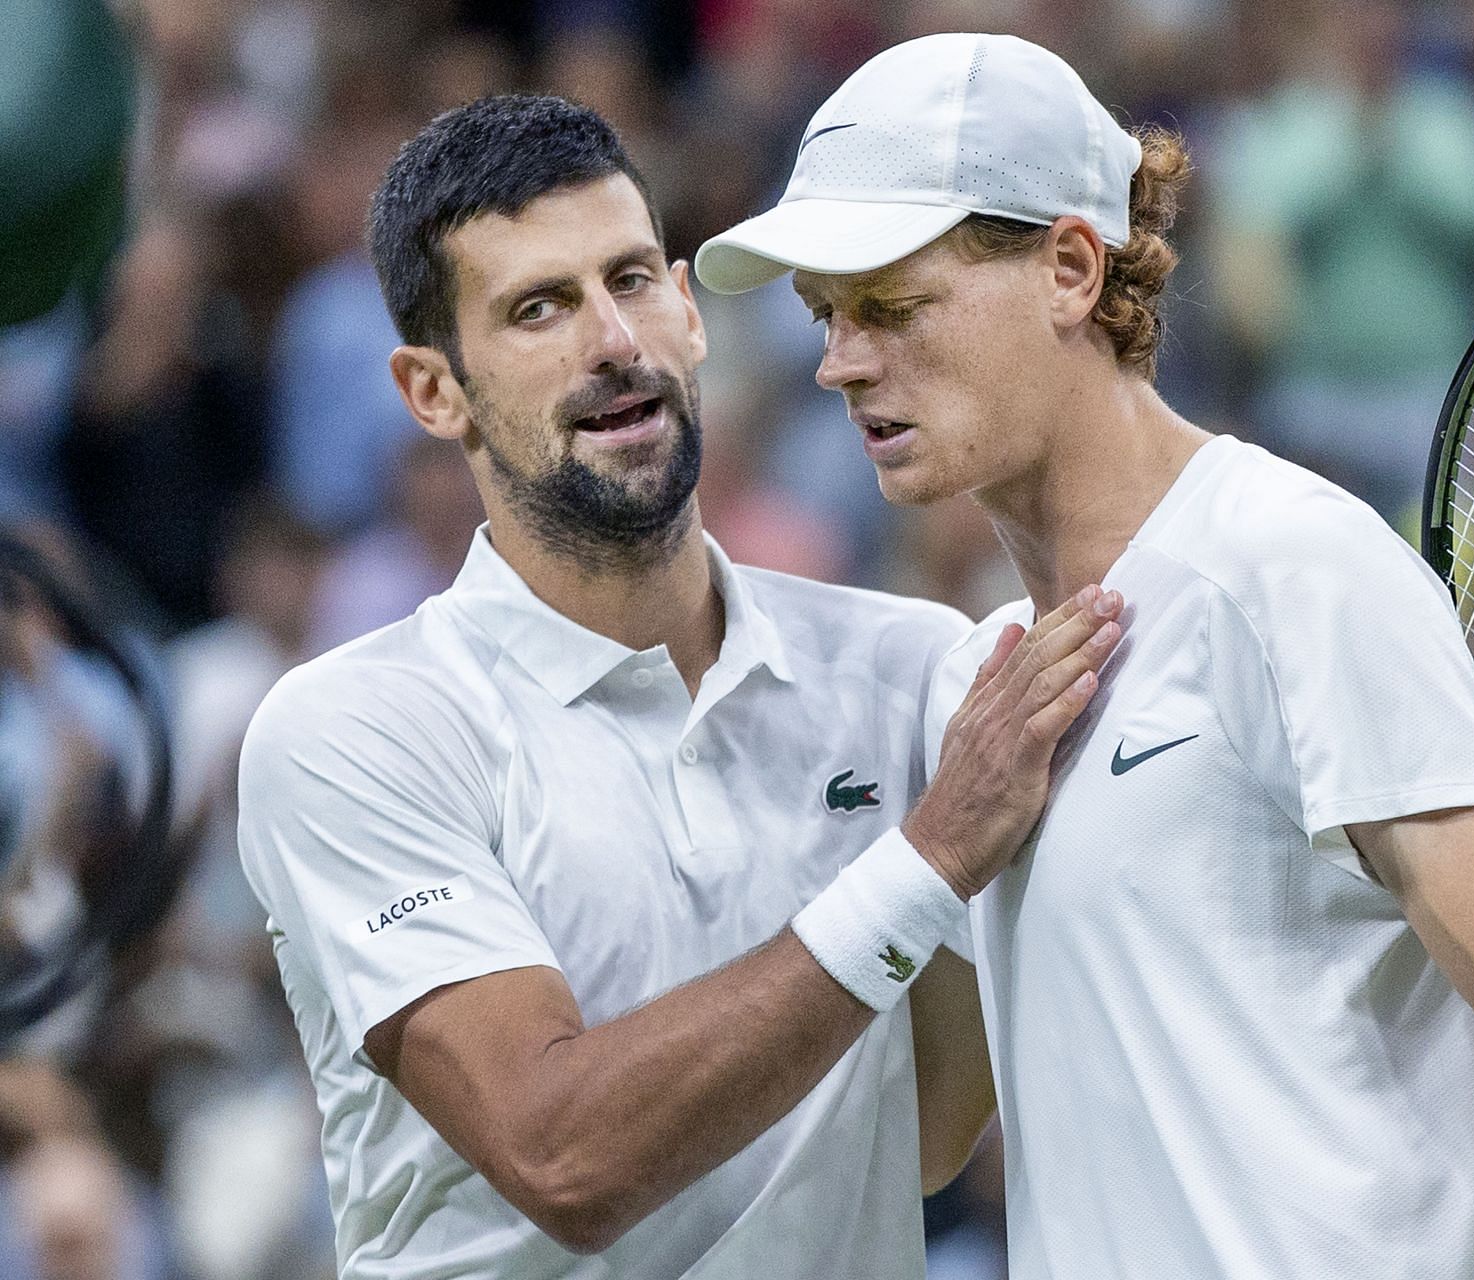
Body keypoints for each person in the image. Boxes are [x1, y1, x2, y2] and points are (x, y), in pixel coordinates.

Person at [697, 32, 1474, 1280]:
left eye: (893, 305)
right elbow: (933, 1131)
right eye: (826, 315)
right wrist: (937, 849)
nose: (841, 360)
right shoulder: (989, 683)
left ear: (1067, 267)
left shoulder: (1290, 567)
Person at [235, 94, 1124, 1278]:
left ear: (691, 313)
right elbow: (563, 1158)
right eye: (538, 308)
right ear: (432, 392)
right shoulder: (357, 729)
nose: (613, 339)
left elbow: (908, 1137)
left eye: (633, 279)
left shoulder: (909, 666)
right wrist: (930, 860)